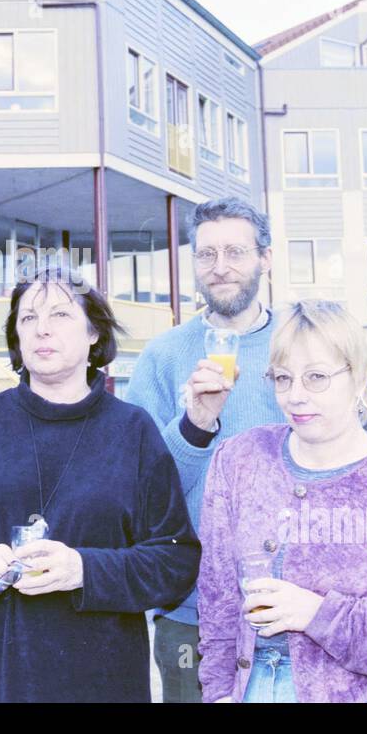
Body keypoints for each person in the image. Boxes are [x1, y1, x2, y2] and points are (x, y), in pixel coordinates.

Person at [0, 266, 200, 702]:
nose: (41, 329)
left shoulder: (132, 431)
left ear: (93, 334)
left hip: (98, 675)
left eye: (60, 315)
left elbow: (174, 561)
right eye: (28, 318)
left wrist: (83, 570)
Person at [197, 300, 367, 703]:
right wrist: (220, 690)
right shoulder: (240, 460)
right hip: (249, 689)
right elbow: (219, 593)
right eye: (282, 378)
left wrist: (317, 614)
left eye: (316, 377)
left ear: (359, 375)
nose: (295, 396)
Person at [124, 197, 284, 702]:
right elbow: (137, 488)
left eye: (235, 252)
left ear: (266, 259)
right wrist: (195, 424)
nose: (220, 268)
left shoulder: (301, 344)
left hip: (298, 601)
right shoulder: (163, 355)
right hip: (190, 608)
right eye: (206, 254)